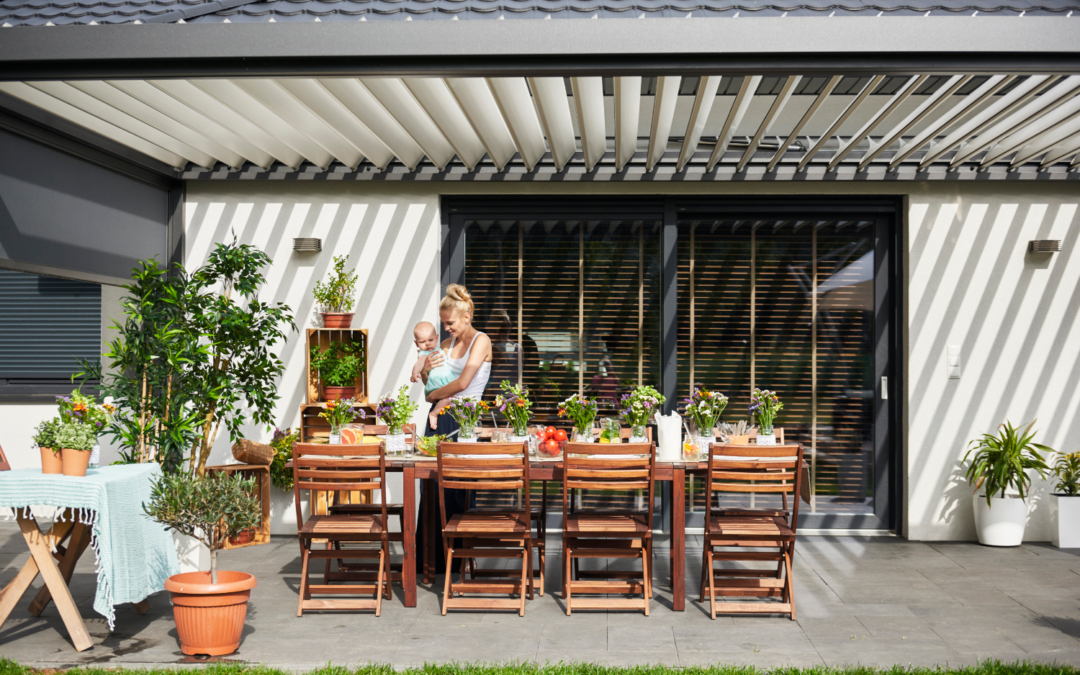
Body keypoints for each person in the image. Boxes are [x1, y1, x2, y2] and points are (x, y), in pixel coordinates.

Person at [416, 284, 493, 573]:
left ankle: (459, 561)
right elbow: (431, 383)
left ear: (466, 316)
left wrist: (431, 396)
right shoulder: (445, 346)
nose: (446, 328)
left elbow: (462, 385)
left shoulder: (481, 341)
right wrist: (425, 374)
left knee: (460, 490)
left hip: (466, 421)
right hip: (438, 419)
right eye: (443, 323)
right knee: (433, 489)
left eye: (450, 323)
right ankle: (431, 560)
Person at [409, 321, 454, 430]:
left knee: (451, 398)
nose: (428, 344)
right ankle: (434, 413)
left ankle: (435, 412)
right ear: (416, 343)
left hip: (443, 379)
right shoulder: (424, 353)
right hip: (438, 381)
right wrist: (414, 373)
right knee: (450, 397)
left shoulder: (439, 348)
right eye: (423, 342)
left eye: (430, 340)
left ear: (437, 337)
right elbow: (419, 363)